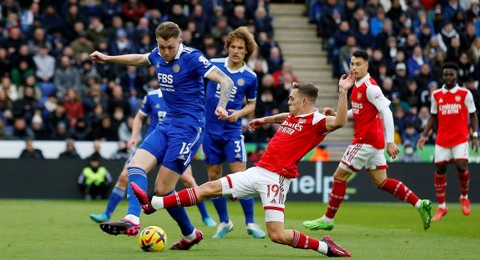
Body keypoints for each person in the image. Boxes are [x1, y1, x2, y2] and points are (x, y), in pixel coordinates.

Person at [131, 80, 355, 257]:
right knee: (209, 187)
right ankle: (154, 203)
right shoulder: (294, 116)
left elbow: (340, 122)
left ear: (305, 101)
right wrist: (265, 119)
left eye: (292, 98)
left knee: (277, 235)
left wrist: (343, 92)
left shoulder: (317, 121)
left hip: (275, 180)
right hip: (258, 171)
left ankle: (324, 247)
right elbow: (284, 116)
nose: (289, 102)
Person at [89, 21, 233, 250]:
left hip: (189, 128)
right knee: (134, 167)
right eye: (161, 46)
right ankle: (133, 219)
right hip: (167, 124)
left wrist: (222, 105)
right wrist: (108, 58)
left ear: (179, 42)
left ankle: (189, 234)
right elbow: (139, 58)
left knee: (163, 190)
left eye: (170, 47)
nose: (165, 52)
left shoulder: (192, 58)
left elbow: (226, 80)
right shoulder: (157, 54)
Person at [302, 50, 432, 232]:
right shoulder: (356, 85)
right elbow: (358, 111)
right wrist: (339, 114)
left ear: (366, 66)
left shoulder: (371, 87)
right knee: (381, 181)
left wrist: (390, 141)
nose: (354, 67)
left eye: (358, 64)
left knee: (339, 176)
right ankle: (420, 203)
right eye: (352, 64)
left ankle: (327, 219)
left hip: (365, 140)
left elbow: (386, 111)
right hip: (373, 141)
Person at [89, 88, 217, 227]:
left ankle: (205, 217)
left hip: (177, 143)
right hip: (154, 143)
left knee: (186, 181)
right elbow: (139, 116)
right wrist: (133, 137)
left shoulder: (182, 95)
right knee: (125, 175)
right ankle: (108, 213)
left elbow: (197, 120)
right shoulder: (151, 96)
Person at [204, 27, 265, 239]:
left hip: (231, 131)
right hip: (209, 131)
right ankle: (224, 222)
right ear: (227, 47)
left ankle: (250, 222)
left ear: (246, 51)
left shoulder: (250, 76)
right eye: (233, 47)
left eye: (240, 48)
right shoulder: (214, 65)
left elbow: (252, 106)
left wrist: (237, 114)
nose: (236, 51)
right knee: (213, 177)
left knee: (241, 177)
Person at [417, 62, 478, 221]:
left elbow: (473, 115)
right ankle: (442, 207)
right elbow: (432, 116)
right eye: (446, 74)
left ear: (456, 76)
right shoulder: (436, 95)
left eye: (451, 74)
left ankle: (464, 197)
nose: (448, 77)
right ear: (442, 76)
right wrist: (424, 135)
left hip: (460, 138)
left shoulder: (465, 94)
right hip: (442, 139)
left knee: (461, 165)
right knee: (440, 169)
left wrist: (475, 135)